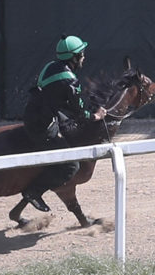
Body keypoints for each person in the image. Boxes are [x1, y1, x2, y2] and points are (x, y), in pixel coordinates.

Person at [20, 35, 107, 212]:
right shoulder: (70, 80)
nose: (84, 57)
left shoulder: (50, 66)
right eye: (82, 54)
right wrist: (96, 116)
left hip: (34, 113)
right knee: (71, 165)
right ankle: (34, 191)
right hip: (42, 126)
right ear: (73, 57)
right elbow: (80, 113)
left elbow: (53, 96)